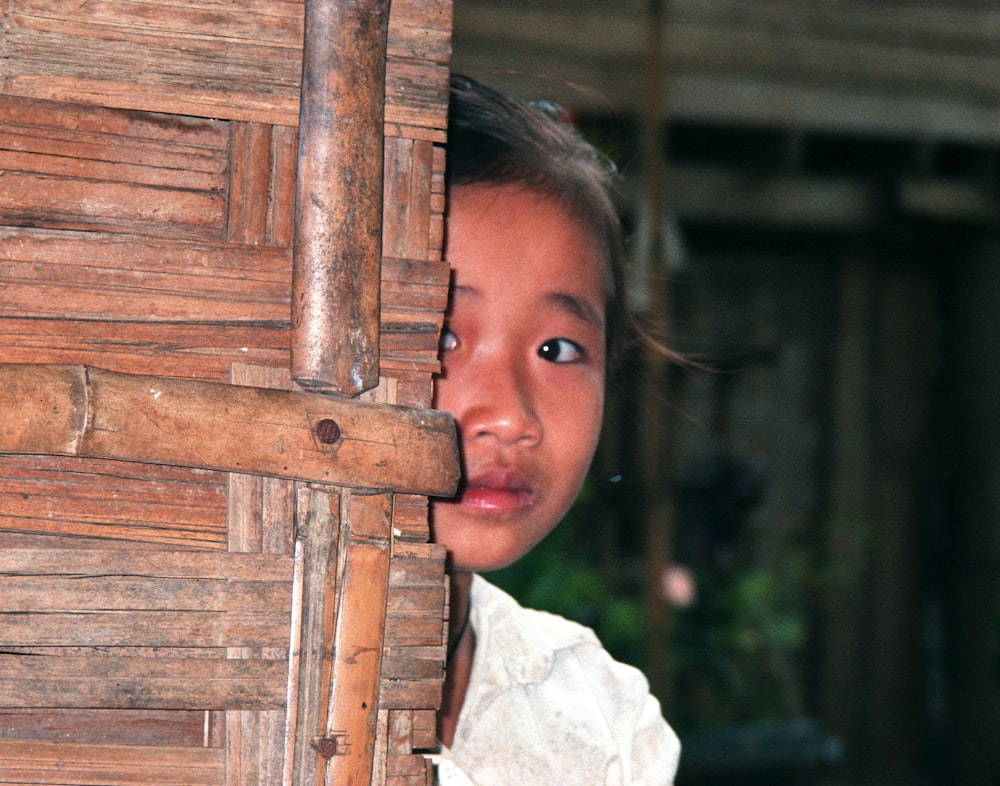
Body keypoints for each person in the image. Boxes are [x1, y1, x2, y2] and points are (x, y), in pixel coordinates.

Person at [428, 74, 681, 785]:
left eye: (558, 350)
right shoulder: (190, 694)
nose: (511, 415)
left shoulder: (601, 717)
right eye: (440, 336)